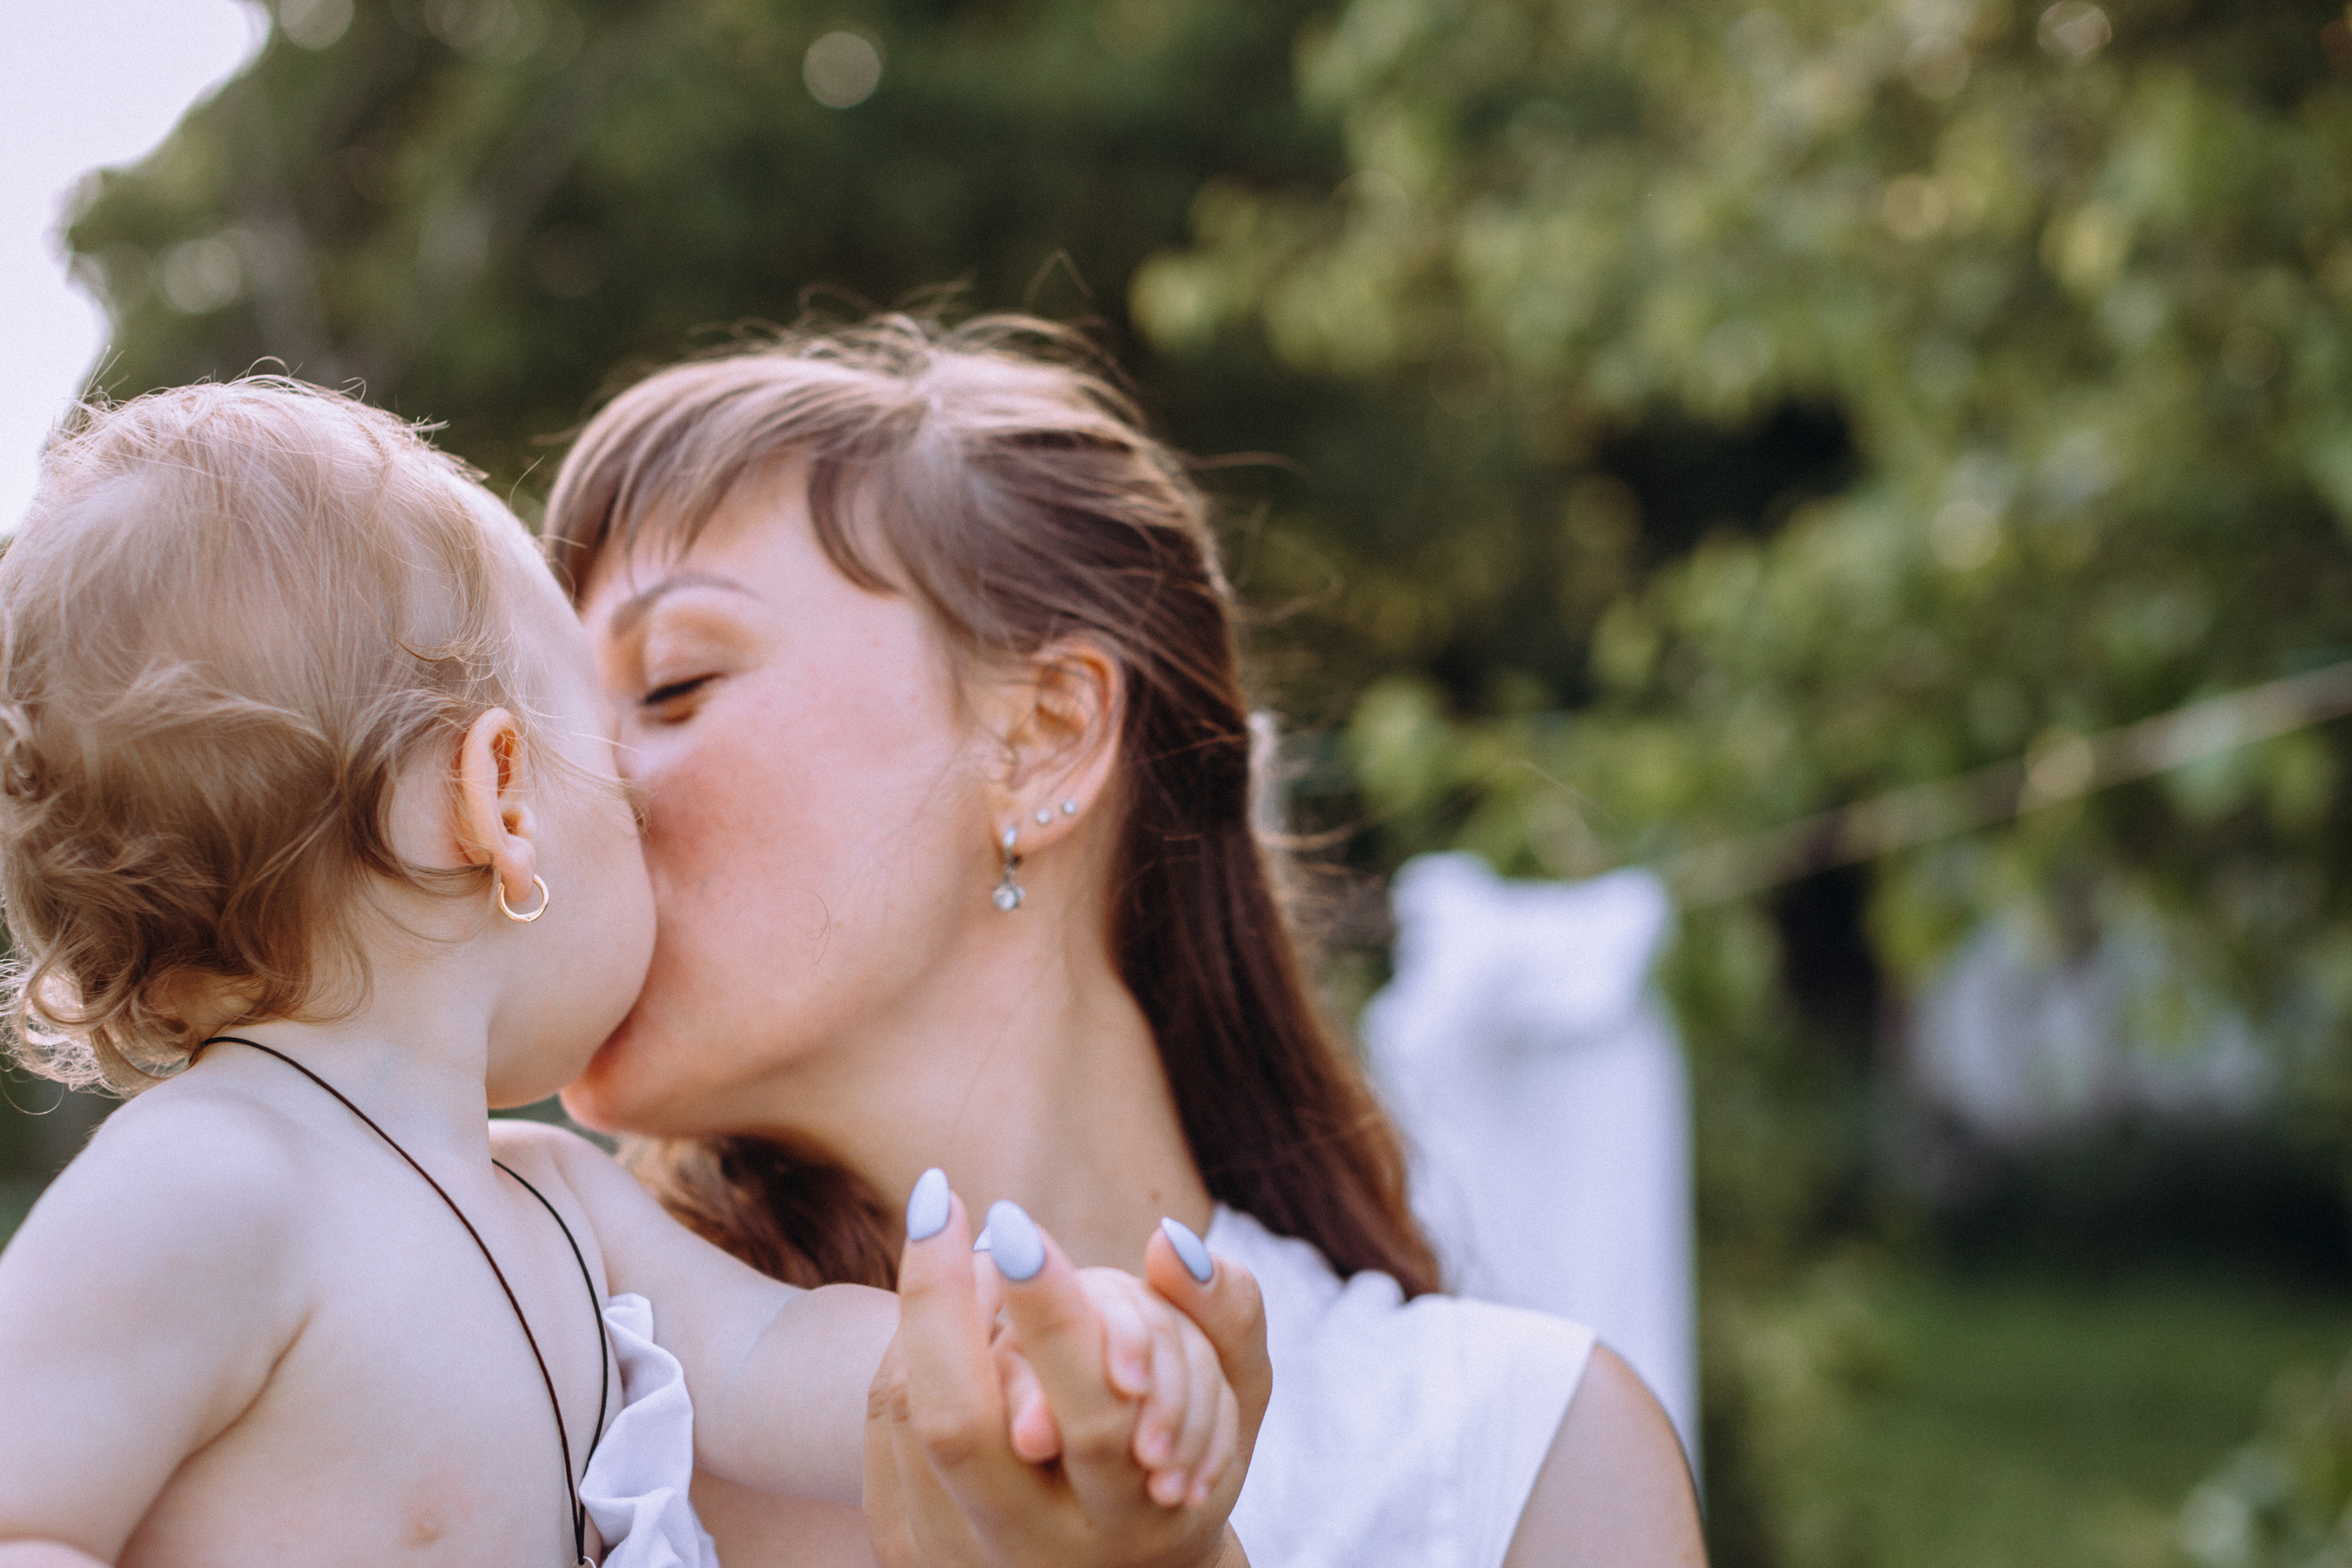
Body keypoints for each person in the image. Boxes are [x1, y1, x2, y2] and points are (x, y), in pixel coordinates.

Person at [0, 380, 1254, 1568]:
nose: (644, 804)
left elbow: (781, 1355)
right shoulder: (208, 1184)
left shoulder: (554, 1199)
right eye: (610, 733)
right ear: (499, 799)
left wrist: (1048, 1356)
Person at [545, 314, 1709, 1566]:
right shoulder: (547, 1399)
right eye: (541, 716)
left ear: (1044, 735)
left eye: (670, 686)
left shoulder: (1514, 1468)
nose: (554, 789)